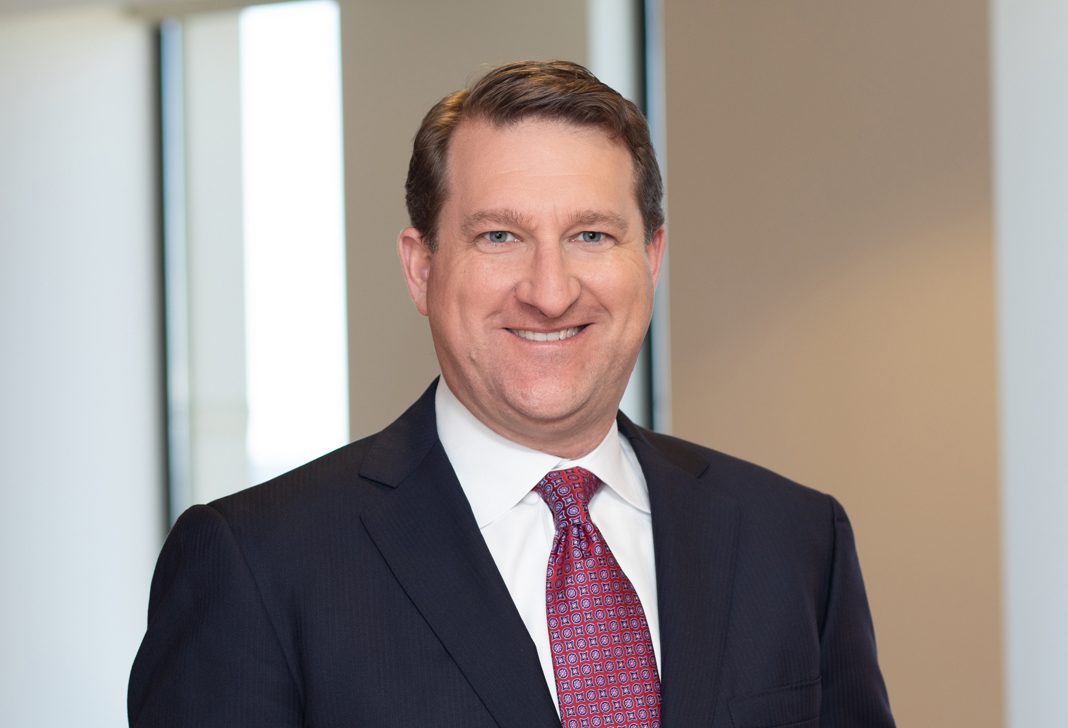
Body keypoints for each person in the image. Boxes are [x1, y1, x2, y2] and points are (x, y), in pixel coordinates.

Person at [128, 60, 895, 728]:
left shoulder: (796, 541)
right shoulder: (258, 566)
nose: (550, 292)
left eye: (591, 235)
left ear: (651, 258)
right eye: (500, 236)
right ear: (422, 268)